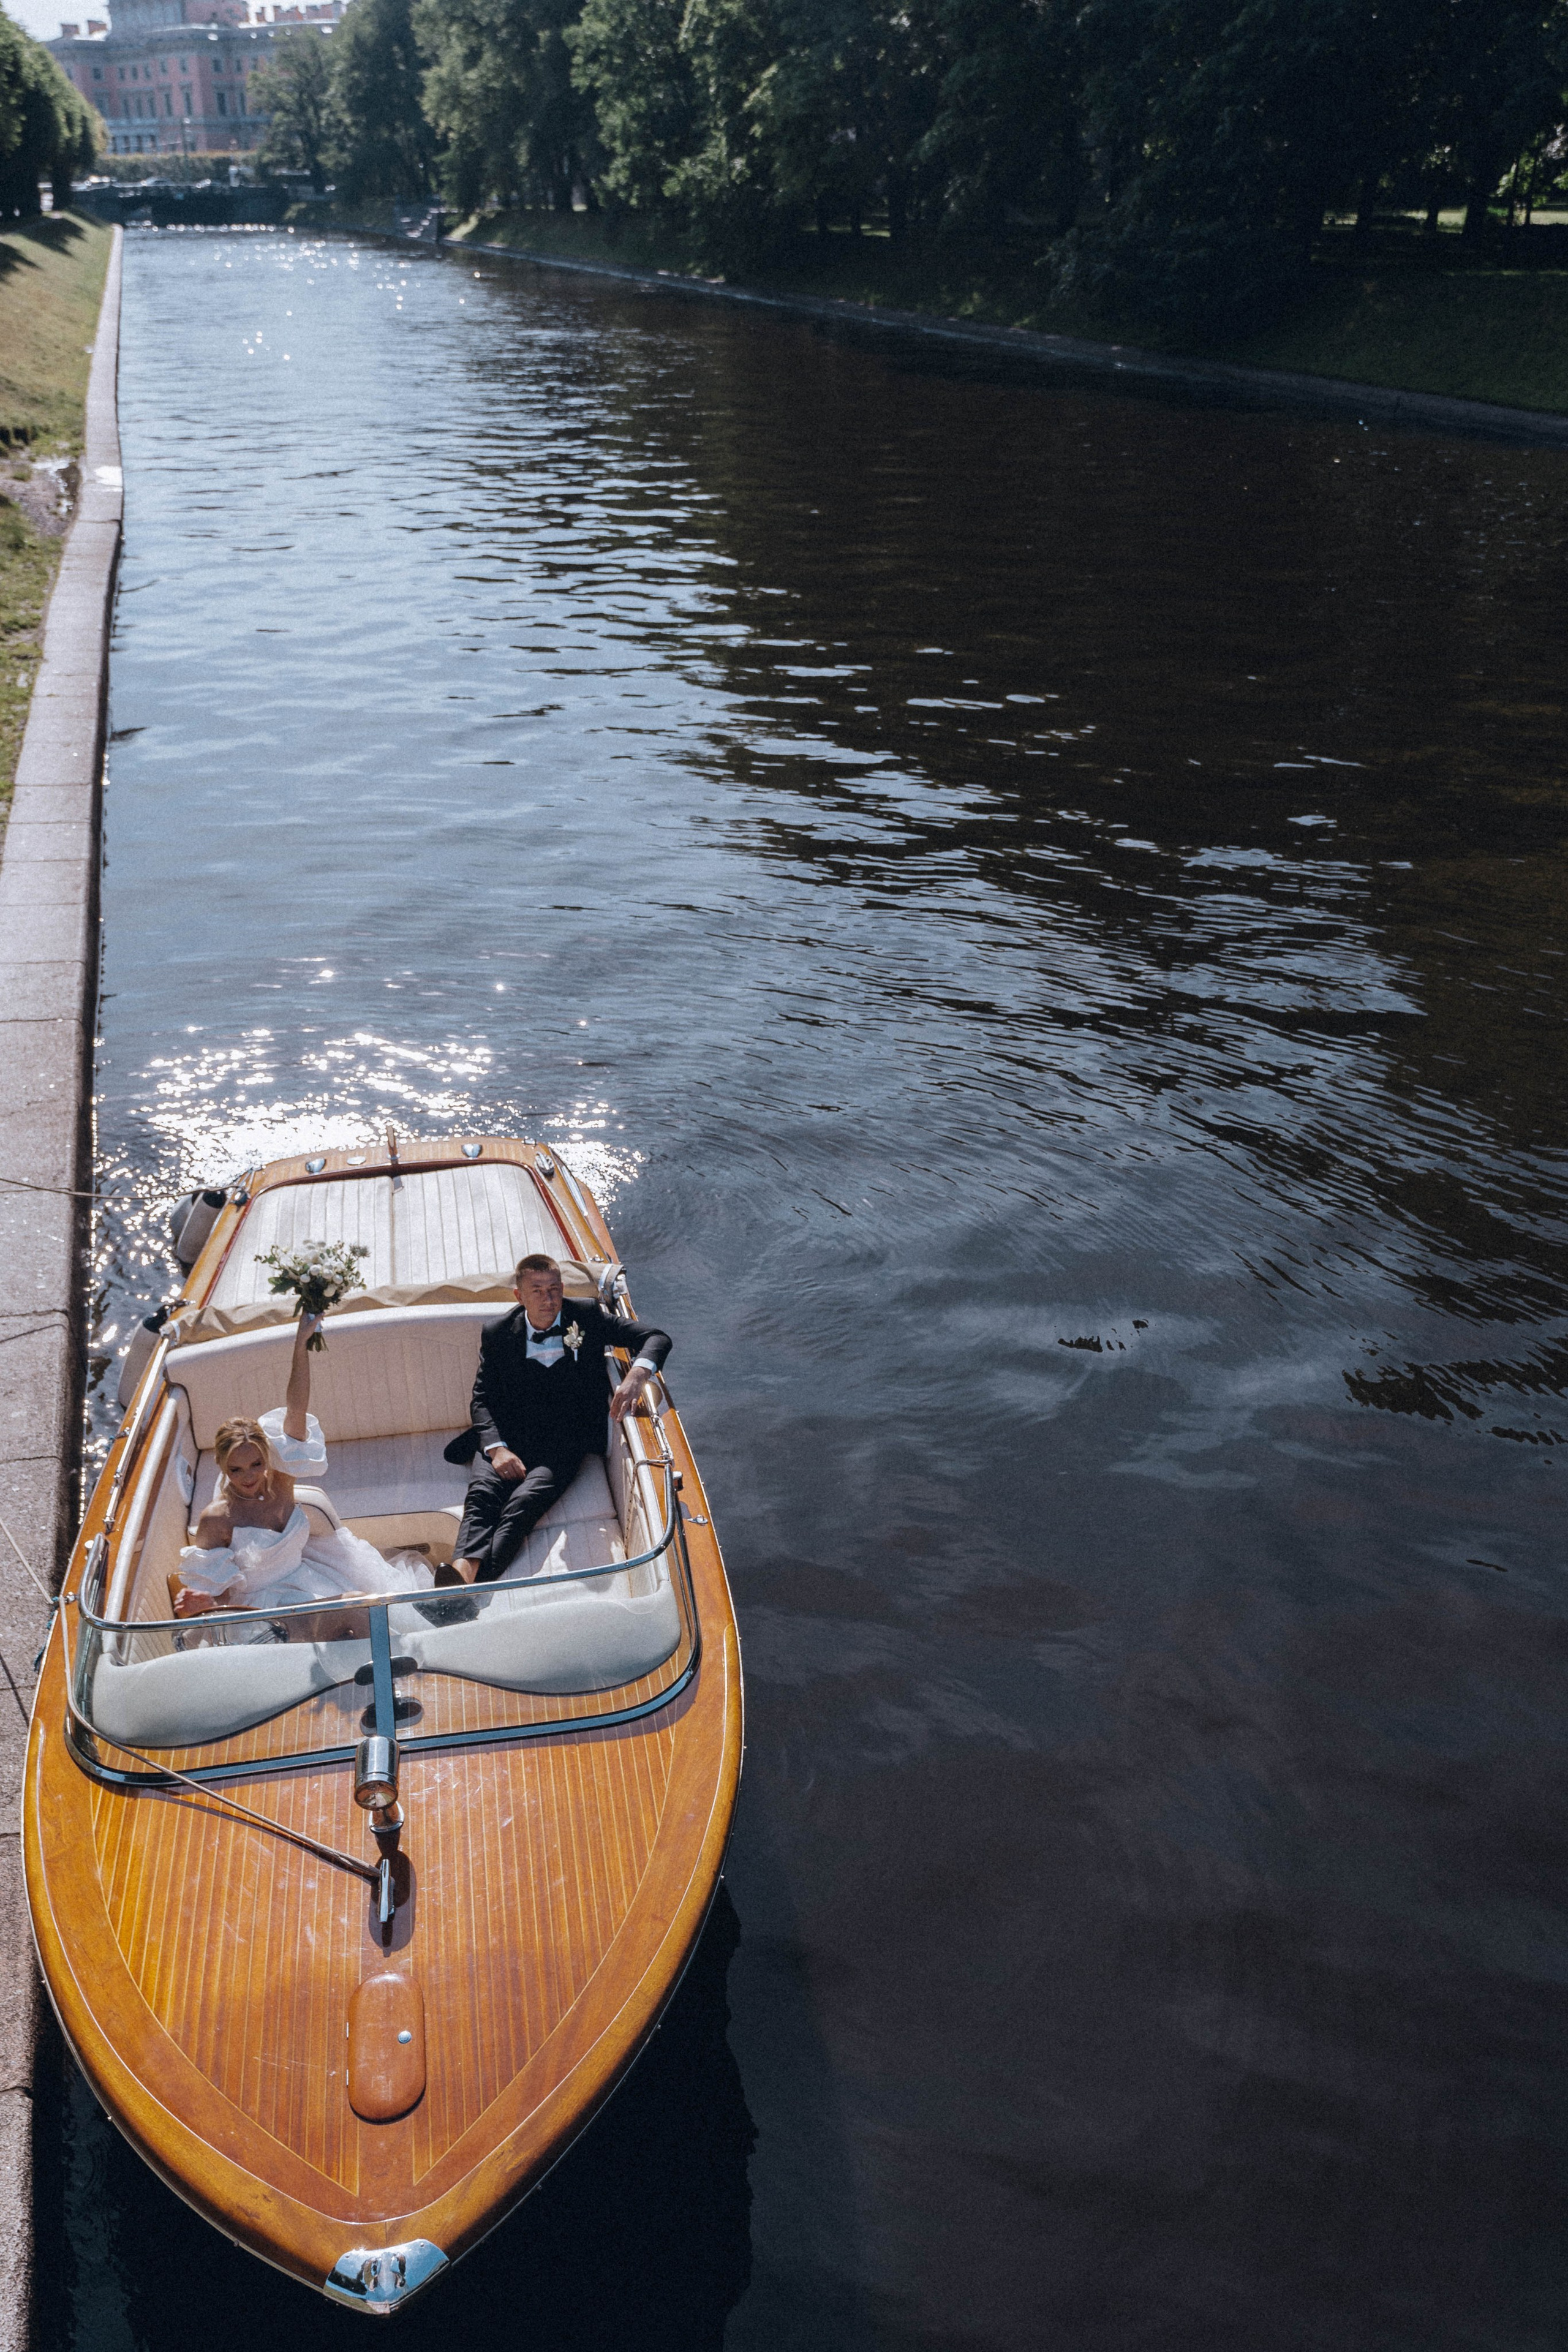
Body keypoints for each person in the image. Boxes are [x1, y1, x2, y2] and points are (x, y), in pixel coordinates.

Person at [173, 1310, 433, 1632]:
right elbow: (218, 1598)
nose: (249, 1477)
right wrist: (206, 1603)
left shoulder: (281, 1481)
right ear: (222, 1467)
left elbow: (297, 1409)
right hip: (263, 1612)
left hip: (309, 1583)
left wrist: (301, 1343)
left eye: (257, 1464)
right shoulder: (217, 1519)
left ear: (268, 1458)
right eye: (236, 1469)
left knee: (374, 1607)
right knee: (356, 1607)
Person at [444, 1253, 672, 1585]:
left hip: (565, 1441)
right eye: (537, 1291)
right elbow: (483, 1398)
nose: (549, 1299)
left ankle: (464, 1585)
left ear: (563, 1288)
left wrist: (637, 1375)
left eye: (554, 1288)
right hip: (508, 1436)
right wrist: (496, 1449)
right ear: (519, 1296)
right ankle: (461, 1574)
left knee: (523, 1505)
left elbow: (657, 1338)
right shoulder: (498, 1332)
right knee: (482, 1496)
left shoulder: (586, 1316)